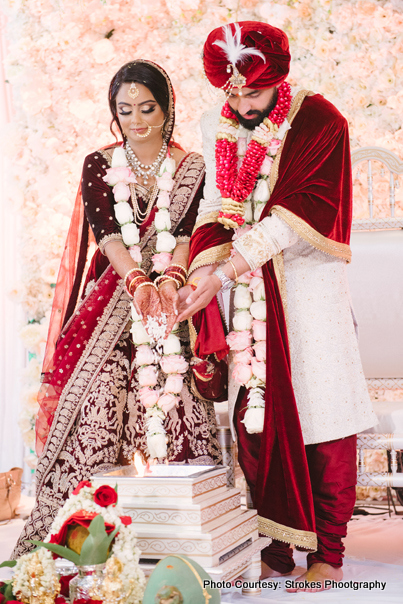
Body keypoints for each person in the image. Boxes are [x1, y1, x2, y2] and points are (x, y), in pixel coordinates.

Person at [177, 22, 377, 592]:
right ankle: (278, 543)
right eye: (231, 93)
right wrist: (202, 270)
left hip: (309, 293)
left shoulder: (319, 123)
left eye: (253, 93)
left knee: (323, 413)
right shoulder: (218, 123)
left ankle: (329, 553)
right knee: (256, 415)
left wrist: (225, 270)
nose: (240, 104)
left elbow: (297, 215)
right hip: (247, 298)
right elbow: (220, 201)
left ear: (280, 77)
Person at [12, 60, 222, 559]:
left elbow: (189, 234)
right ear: (114, 113)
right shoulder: (99, 163)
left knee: (172, 396)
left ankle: (175, 538)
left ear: (167, 108)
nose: (136, 119)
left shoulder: (193, 166)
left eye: (147, 108)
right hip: (113, 292)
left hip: (172, 295)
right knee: (95, 395)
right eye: (124, 110)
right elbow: (108, 235)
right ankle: (79, 537)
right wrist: (137, 280)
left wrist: (170, 281)